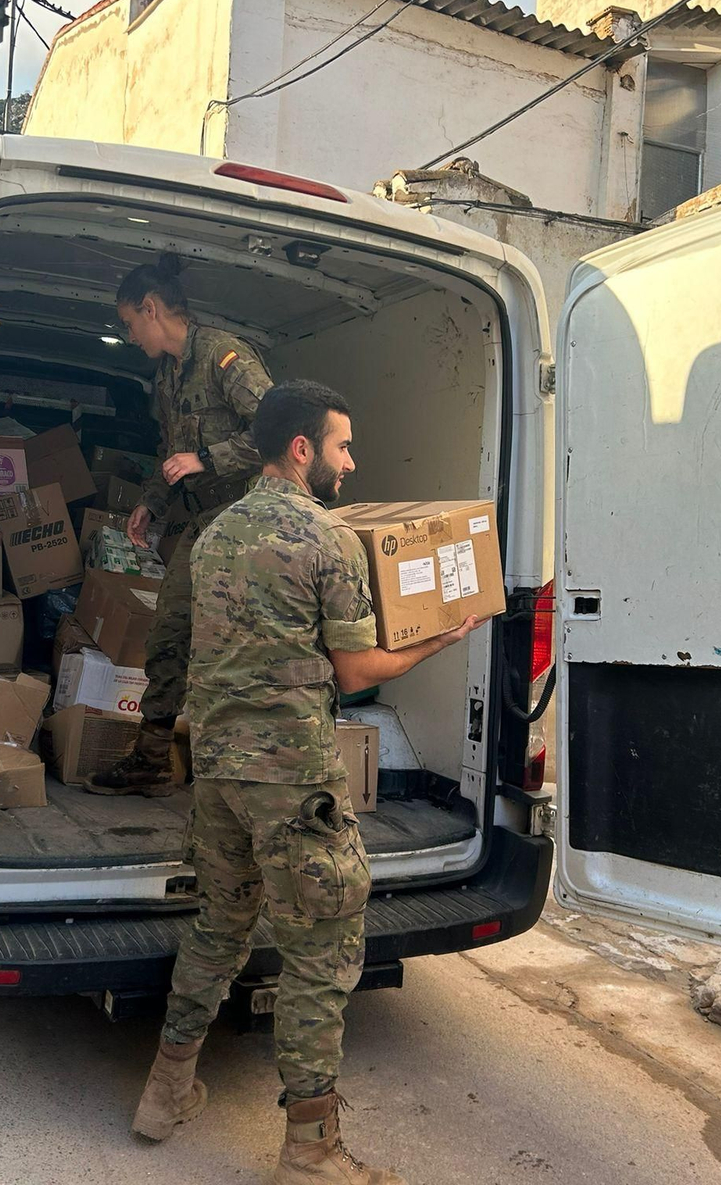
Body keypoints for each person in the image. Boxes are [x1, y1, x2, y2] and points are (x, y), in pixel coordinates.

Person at [131, 380, 484, 1184]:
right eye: (343, 446)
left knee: (218, 928)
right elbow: (356, 669)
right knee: (321, 953)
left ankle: (165, 1092)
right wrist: (444, 637)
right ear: (302, 449)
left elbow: (180, 643)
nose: (350, 463)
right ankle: (310, 1152)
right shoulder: (326, 540)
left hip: (218, 770)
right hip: (293, 779)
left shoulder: (215, 534)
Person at [89, 253, 274, 797]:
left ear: (151, 309)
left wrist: (209, 459)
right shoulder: (166, 377)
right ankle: (151, 759)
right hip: (203, 521)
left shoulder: (224, 357)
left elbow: (281, 430)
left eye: (129, 323)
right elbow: (171, 451)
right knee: (170, 632)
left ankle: (247, 770)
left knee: (234, 648)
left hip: (245, 520)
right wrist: (152, 503)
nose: (129, 336)